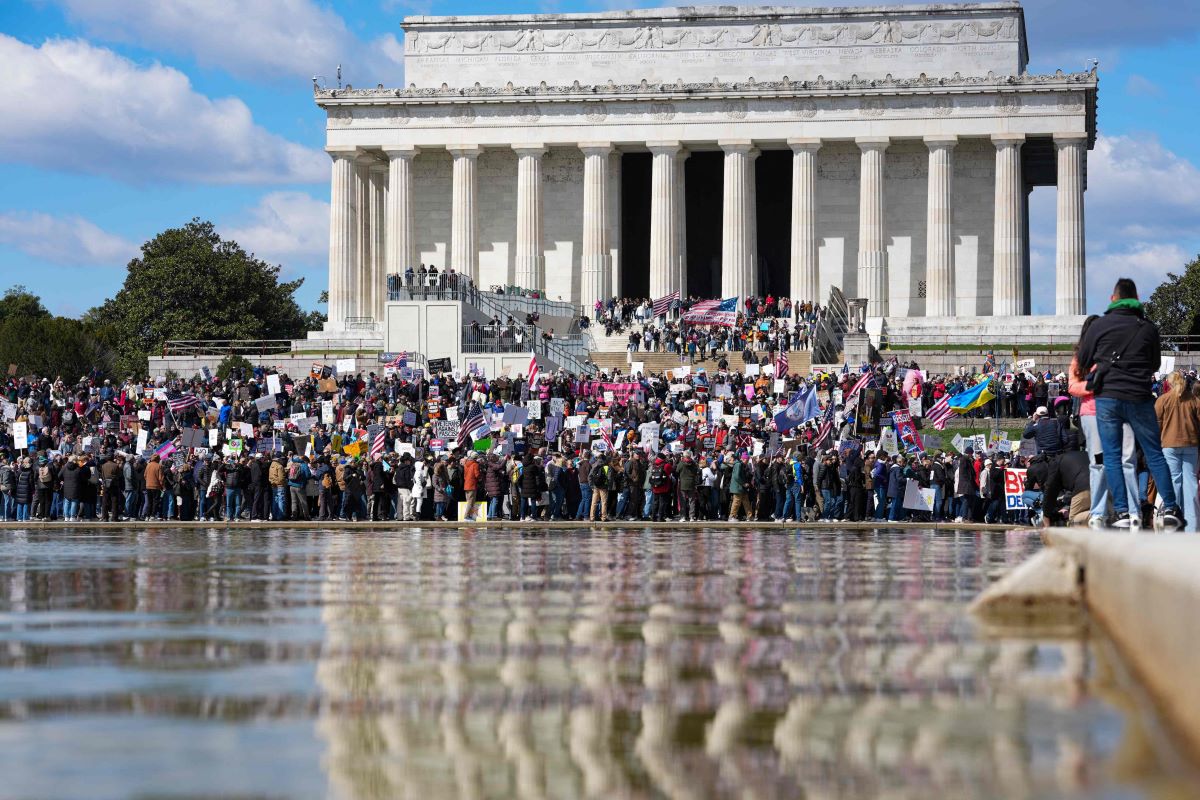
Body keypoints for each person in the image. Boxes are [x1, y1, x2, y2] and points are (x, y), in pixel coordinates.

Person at [1077, 277, 1183, 528]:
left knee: (1112, 457)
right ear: (1136, 300)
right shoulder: (1147, 328)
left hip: (1107, 398)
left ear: (1113, 299)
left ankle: (1122, 513)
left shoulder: (1099, 326)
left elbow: (1083, 359)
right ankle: (1170, 507)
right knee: (1154, 454)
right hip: (1139, 396)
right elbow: (1156, 364)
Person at [1155, 370, 1200, 531]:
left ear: (1169, 383)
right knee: (1191, 485)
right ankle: (1192, 527)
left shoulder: (1162, 400)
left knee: (1174, 483)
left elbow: (1157, 425)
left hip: (1169, 444)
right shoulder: (1194, 400)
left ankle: (1174, 523)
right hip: (1191, 444)